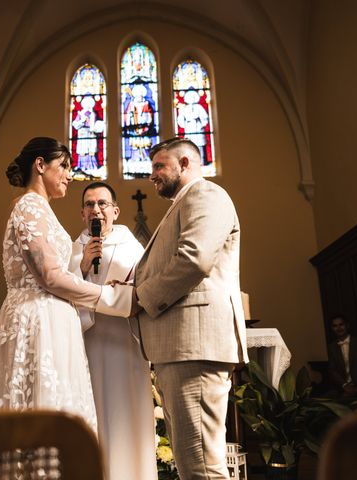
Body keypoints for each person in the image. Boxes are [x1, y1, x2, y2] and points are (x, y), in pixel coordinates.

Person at [0, 137, 133, 432]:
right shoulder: (29, 205)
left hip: (54, 318)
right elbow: (49, 276)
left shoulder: (42, 209)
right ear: (40, 165)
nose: (69, 175)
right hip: (38, 319)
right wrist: (109, 296)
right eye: (63, 166)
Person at [131, 137, 248, 479]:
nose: (151, 176)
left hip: (194, 346)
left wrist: (140, 299)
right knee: (190, 460)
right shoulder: (182, 203)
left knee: (201, 465)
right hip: (181, 347)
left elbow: (194, 259)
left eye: (158, 166)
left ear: (184, 163)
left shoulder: (205, 195)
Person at [68, 182, 156, 480]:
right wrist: (81, 267)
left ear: (115, 211)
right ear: (82, 213)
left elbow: (144, 290)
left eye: (102, 203)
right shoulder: (72, 249)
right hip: (86, 343)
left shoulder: (134, 248)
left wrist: (111, 294)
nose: (96, 209)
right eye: (90, 204)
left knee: (124, 415)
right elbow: (59, 294)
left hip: (123, 343)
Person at [326, 315, 357, 397]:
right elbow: (332, 370)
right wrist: (344, 385)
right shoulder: (331, 347)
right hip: (341, 387)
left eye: (341, 324)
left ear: (347, 325)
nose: (339, 328)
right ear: (332, 329)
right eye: (335, 326)